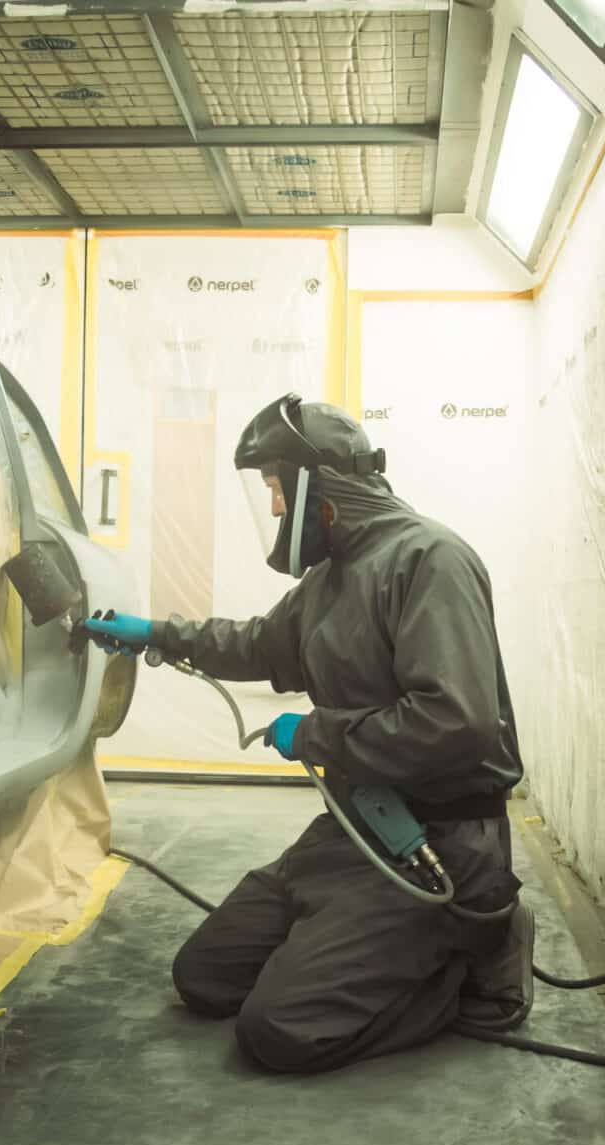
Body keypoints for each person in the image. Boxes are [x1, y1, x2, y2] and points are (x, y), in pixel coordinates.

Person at [82, 394, 533, 1074]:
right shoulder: (331, 580)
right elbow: (259, 644)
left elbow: (458, 723)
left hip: (440, 842)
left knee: (281, 1030)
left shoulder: (429, 560)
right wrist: (156, 634)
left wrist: (319, 734)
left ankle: (480, 947)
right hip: (355, 827)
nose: (272, 508)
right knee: (204, 978)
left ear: (318, 489)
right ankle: (349, 943)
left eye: (276, 488)